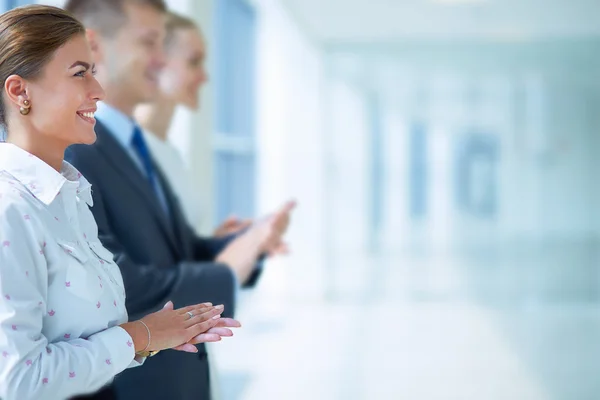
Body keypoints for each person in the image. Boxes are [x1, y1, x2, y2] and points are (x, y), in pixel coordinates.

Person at [0, 5, 239, 400]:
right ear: (19, 91)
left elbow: (85, 340)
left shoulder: (71, 197)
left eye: (94, 70)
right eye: (80, 73)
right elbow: (17, 381)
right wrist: (140, 335)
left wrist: (151, 339)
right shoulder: (10, 209)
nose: (98, 90)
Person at [63, 0, 293, 399]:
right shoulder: (73, 150)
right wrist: (226, 273)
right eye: (151, 42)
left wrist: (247, 246)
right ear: (95, 46)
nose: (161, 59)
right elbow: (118, 288)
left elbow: (176, 251)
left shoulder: (133, 144)